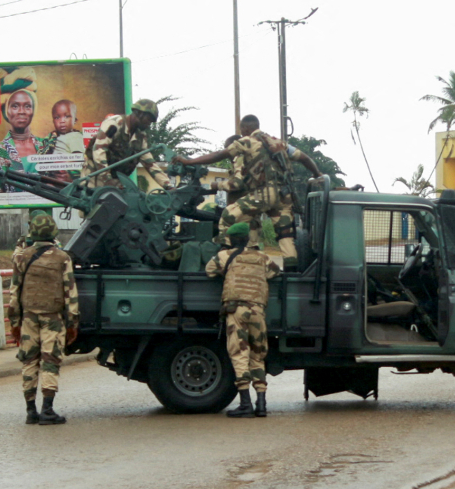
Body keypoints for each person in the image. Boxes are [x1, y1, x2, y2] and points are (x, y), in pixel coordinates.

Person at [175, 114, 324, 271]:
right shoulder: (279, 142)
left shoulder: (246, 142)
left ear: (245, 128)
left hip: (263, 194)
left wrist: (188, 161)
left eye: (242, 129)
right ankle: (292, 275)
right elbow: (305, 158)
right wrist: (316, 174)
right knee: (285, 235)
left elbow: (219, 155)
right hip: (285, 196)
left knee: (227, 215)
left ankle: (224, 257)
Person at [8, 213, 79, 425]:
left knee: (29, 361)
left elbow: (14, 293)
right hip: (53, 318)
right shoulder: (63, 258)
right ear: (53, 233)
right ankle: (47, 409)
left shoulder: (22, 257)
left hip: (29, 317)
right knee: (50, 361)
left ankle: (31, 411)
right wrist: (73, 323)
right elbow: (70, 293)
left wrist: (14, 323)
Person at [206, 222, 282, 418]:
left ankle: (245, 404)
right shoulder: (262, 257)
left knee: (240, 354)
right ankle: (262, 405)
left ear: (230, 239)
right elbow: (276, 272)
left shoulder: (225, 256)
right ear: (248, 239)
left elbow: (209, 270)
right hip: (257, 311)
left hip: (237, 311)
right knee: (258, 355)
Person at [81, 98, 173, 191]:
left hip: (115, 182)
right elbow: (99, 150)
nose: (149, 124)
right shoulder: (115, 123)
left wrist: (168, 186)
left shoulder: (140, 137)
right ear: (138, 113)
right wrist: (107, 179)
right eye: (149, 119)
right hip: (93, 179)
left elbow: (150, 163)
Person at [0, 89, 56, 193]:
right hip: (12, 209)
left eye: (27, 106)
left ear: (33, 111)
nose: (21, 111)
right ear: (7, 112)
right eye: (15, 106)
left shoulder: (46, 145)